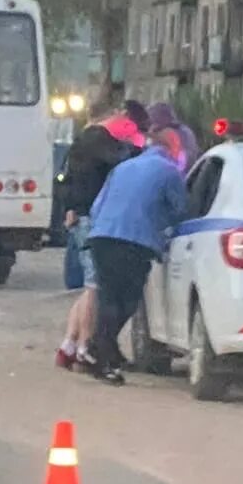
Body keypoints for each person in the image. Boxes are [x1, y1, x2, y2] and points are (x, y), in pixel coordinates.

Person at [84, 138, 189, 384]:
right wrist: (161, 226)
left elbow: (96, 207)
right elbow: (180, 210)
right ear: (173, 151)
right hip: (135, 241)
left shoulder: (122, 167)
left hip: (102, 237)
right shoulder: (170, 172)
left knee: (109, 296)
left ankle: (103, 350)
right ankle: (100, 355)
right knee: (127, 301)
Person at [54, 110, 143, 370]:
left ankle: (68, 346)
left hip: (81, 217)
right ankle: (84, 347)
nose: (131, 136)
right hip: (91, 220)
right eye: (130, 129)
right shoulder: (99, 139)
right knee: (96, 286)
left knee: (89, 287)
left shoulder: (84, 141)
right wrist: (139, 150)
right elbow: (120, 161)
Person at [146, 101, 200, 172]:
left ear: (164, 117)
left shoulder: (184, 133)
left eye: (154, 119)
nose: (152, 124)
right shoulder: (154, 134)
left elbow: (187, 160)